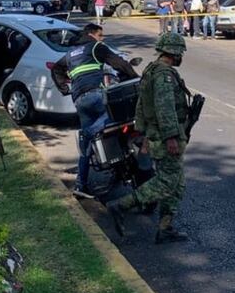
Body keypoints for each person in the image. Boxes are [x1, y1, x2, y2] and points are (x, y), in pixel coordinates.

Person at [106, 32, 191, 243]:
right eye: (180, 53)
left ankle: (165, 227)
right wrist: (171, 137)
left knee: (177, 184)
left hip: (157, 135)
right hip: (166, 138)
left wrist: (144, 134)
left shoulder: (151, 70)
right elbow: (165, 109)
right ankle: (121, 205)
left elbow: (142, 106)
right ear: (174, 52)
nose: (181, 57)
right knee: (166, 181)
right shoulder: (163, 75)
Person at [51, 23, 138, 199]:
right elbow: (119, 63)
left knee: (87, 146)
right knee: (117, 117)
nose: (102, 38)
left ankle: (80, 184)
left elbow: (56, 69)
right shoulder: (95, 47)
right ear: (92, 35)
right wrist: (135, 78)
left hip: (79, 100)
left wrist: (64, 89)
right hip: (95, 94)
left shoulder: (70, 54)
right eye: (100, 35)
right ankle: (91, 134)